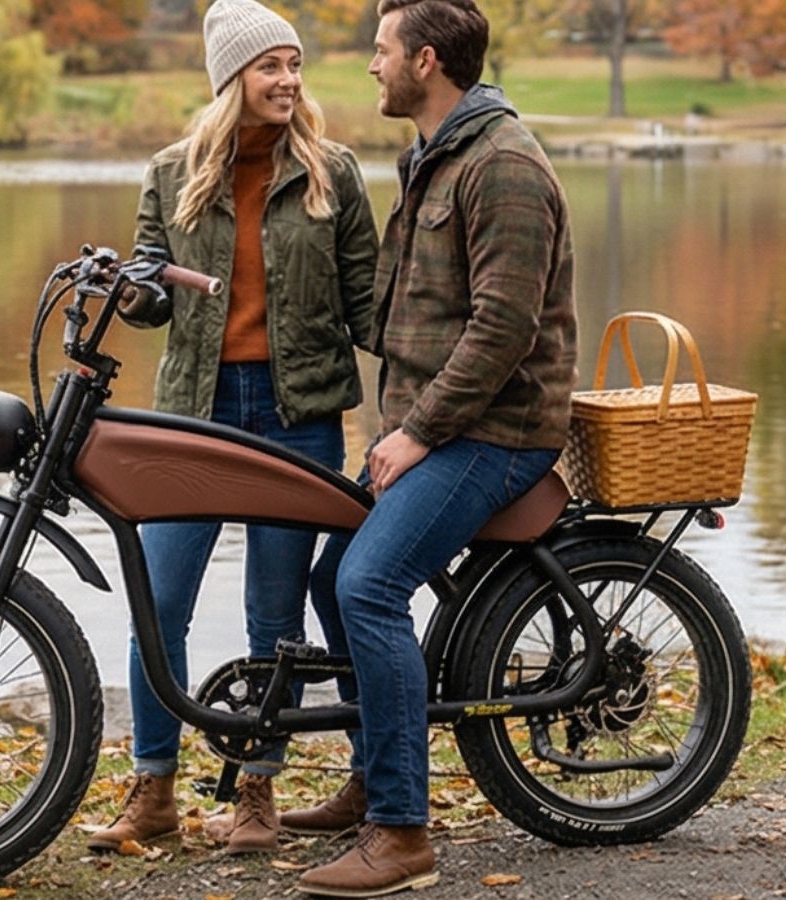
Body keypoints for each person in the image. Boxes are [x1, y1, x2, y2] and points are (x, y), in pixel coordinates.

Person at [292, 0, 578, 895]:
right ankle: (374, 775)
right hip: (439, 425)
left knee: (368, 585)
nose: (369, 66)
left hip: (498, 430)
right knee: (330, 571)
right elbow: (400, 313)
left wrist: (416, 433)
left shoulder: (504, 165)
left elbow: (502, 329)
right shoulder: (437, 156)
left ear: (424, 60)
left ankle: (403, 832)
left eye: (380, 51)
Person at [86, 0, 381, 857]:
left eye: (295, 65)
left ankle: (257, 793)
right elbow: (149, 302)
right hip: (196, 417)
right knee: (160, 604)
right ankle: (154, 791)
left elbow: (369, 306)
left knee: (274, 616)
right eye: (270, 67)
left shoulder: (336, 172)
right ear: (231, 80)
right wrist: (133, 290)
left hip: (299, 417)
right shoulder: (172, 174)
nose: (289, 80)